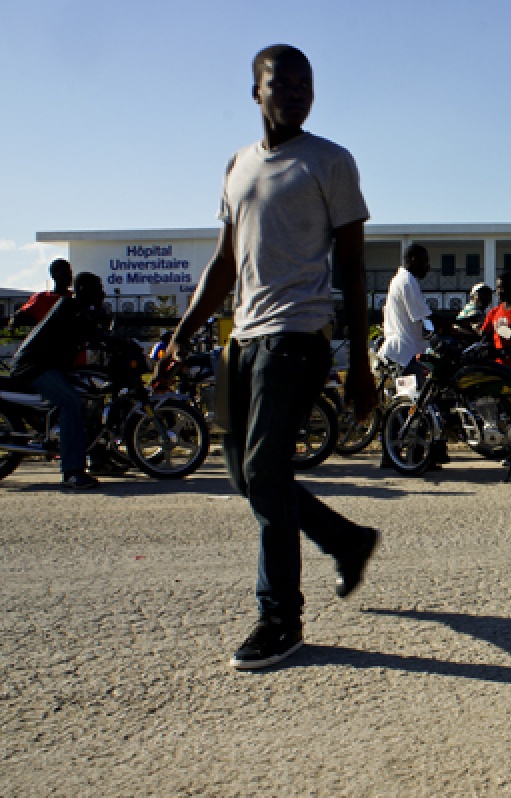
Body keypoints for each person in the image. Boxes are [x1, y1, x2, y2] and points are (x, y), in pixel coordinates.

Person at [154, 45, 379, 671]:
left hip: (298, 337)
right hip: (242, 340)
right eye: (283, 83)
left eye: (307, 83)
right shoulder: (236, 165)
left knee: (263, 471)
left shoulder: (330, 163)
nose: (297, 93)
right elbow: (224, 264)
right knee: (243, 472)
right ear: (257, 89)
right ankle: (346, 538)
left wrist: (358, 362)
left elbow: (354, 267)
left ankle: (280, 618)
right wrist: (181, 333)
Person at [9, 272, 107, 488]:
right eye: (97, 288)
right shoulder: (69, 308)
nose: (102, 293)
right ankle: (73, 471)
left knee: (86, 394)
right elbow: (91, 334)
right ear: (83, 290)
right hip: (33, 367)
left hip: (48, 366)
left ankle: (101, 455)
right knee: (70, 401)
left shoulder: (78, 309)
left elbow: (96, 334)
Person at [378, 244, 432, 369]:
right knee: (412, 388)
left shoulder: (400, 279)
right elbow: (422, 315)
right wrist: (452, 325)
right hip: (406, 352)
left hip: (399, 351)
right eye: (425, 261)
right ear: (414, 260)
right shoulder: (408, 281)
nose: (428, 267)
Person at [8, 259, 74, 331]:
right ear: (54, 275)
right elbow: (18, 317)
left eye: (70, 273)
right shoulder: (41, 298)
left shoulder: (75, 297)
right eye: (65, 273)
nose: (69, 276)